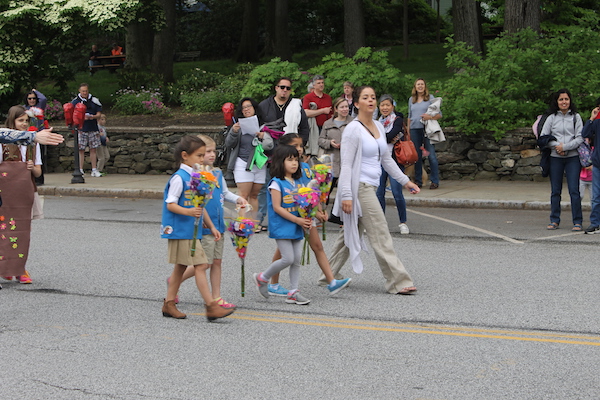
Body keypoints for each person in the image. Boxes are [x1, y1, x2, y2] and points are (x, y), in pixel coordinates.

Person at [319, 86, 420, 294]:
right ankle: (397, 281)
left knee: (350, 233)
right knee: (380, 232)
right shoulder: (352, 130)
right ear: (356, 103)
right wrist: (346, 195)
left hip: (370, 186)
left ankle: (327, 274)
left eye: (373, 97)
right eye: (365, 98)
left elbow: (386, 159)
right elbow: (346, 165)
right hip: (359, 188)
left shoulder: (378, 126)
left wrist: (404, 181)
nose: (371, 101)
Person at [266, 133, 351, 297]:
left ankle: (331, 281)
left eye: (301, 146)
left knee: (316, 246)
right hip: (294, 217)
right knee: (285, 253)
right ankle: (273, 282)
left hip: (306, 215)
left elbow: (313, 191)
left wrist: (319, 209)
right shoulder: (283, 176)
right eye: (295, 146)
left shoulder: (304, 167)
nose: (299, 149)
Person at [161, 135, 234, 321]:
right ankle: (211, 306)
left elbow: (200, 206)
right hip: (181, 229)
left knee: (181, 267)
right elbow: (170, 204)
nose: (202, 160)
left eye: (204, 155)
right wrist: (188, 212)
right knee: (201, 265)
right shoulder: (180, 178)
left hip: (191, 230)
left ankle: (169, 303)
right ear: (185, 156)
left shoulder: (196, 176)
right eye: (199, 156)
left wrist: (211, 226)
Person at [170, 135, 248, 308]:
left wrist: (238, 199)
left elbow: (225, 193)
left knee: (216, 262)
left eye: (214, 151)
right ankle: (174, 283)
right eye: (207, 152)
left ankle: (217, 296)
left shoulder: (217, 173)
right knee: (203, 263)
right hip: (204, 225)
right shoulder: (196, 176)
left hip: (218, 224)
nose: (212, 155)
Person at [253, 145, 313, 305]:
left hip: (296, 225)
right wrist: (298, 220)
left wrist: (308, 216)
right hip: (282, 225)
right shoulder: (276, 183)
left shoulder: (298, 182)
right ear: (280, 162)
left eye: (296, 160)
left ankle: (293, 291)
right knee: (287, 258)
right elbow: (278, 207)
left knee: (296, 259)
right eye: (290, 160)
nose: (294, 163)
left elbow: (305, 202)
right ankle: (263, 277)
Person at [0, 106, 43, 284]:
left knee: (23, 231)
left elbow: (39, 173)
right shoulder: (2, 142)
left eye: (26, 121)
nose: (24, 124)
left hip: (25, 192)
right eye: (20, 121)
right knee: (5, 229)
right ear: (12, 122)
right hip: (6, 193)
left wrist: (32, 168)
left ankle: (20, 268)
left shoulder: (33, 143)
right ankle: (6, 267)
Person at [539, 89, 584, 231]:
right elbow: (543, 136)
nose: (564, 102)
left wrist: (565, 146)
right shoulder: (551, 118)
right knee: (555, 191)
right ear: (556, 102)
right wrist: (557, 146)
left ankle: (577, 221)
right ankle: (554, 220)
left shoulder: (576, 117)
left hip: (573, 158)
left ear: (570, 101)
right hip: (555, 158)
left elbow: (580, 137)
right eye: (561, 99)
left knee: (574, 191)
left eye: (566, 99)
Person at [224, 97, 273, 223]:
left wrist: (263, 136)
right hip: (242, 163)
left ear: (255, 108)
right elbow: (229, 144)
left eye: (249, 106)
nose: (246, 109)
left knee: (254, 195)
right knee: (243, 195)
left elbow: (270, 146)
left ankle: (254, 223)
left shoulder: (264, 126)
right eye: (244, 107)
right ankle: (242, 223)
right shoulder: (238, 125)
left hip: (259, 164)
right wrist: (234, 131)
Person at [375, 94, 410, 234]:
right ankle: (380, 223)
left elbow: (389, 136)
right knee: (379, 192)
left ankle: (403, 222)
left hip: (395, 160)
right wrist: (385, 138)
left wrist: (380, 137)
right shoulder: (376, 121)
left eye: (387, 105)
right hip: (380, 160)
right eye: (382, 105)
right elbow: (386, 138)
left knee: (397, 192)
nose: (385, 108)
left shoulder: (398, 120)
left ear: (392, 106)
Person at [407, 78, 441, 189]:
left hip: (427, 130)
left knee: (431, 155)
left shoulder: (430, 98)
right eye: (418, 84)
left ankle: (435, 181)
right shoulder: (411, 99)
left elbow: (439, 115)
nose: (420, 86)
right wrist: (408, 130)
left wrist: (429, 117)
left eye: (422, 84)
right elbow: (409, 116)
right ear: (415, 87)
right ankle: (418, 181)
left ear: (425, 86)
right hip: (414, 129)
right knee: (416, 156)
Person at [319, 97, 353, 208]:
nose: (345, 109)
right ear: (336, 109)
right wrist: (330, 143)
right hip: (331, 162)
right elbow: (320, 140)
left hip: (347, 161)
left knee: (346, 192)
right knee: (325, 192)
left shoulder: (353, 123)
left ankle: (343, 219)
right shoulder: (327, 123)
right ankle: (322, 214)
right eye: (342, 107)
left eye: (346, 107)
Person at [72, 83, 103, 177]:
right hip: (81, 129)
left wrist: (92, 117)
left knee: (93, 149)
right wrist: (81, 118)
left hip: (93, 128)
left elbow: (99, 114)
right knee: (81, 149)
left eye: (86, 91)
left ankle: (94, 169)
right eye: (83, 91)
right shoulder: (75, 102)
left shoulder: (94, 100)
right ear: (79, 91)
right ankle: (80, 169)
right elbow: (72, 114)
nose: (85, 92)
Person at [303, 75, 333, 157]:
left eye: (322, 83)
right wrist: (322, 110)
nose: (321, 85)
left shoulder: (328, 97)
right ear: (314, 85)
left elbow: (331, 113)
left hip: (326, 128)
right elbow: (306, 113)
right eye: (319, 83)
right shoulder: (308, 97)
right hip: (313, 128)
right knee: (314, 151)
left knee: (325, 152)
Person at [23, 89, 48, 185]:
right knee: (29, 158)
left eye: (34, 98)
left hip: (39, 136)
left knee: (39, 158)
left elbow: (43, 98)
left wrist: (35, 91)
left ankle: (40, 179)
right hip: (28, 136)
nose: (32, 100)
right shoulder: (24, 109)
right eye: (30, 98)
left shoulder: (39, 107)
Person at [582, 104, 600, 234]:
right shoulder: (597, 122)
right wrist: (591, 118)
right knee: (596, 196)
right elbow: (585, 133)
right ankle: (595, 223)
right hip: (598, 163)